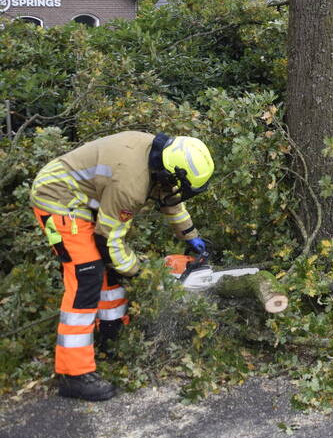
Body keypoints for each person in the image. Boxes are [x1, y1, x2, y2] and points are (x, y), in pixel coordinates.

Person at [30, 132, 215, 401]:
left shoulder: (160, 157)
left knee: (110, 273)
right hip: (58, 197)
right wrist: (141, 273)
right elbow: (110, 242)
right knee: (88, 276)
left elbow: (172, 200)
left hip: (87, 198)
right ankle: (74, 374)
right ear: (168, 172)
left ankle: (110, 339)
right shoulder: (131, 183)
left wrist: (191, 235)